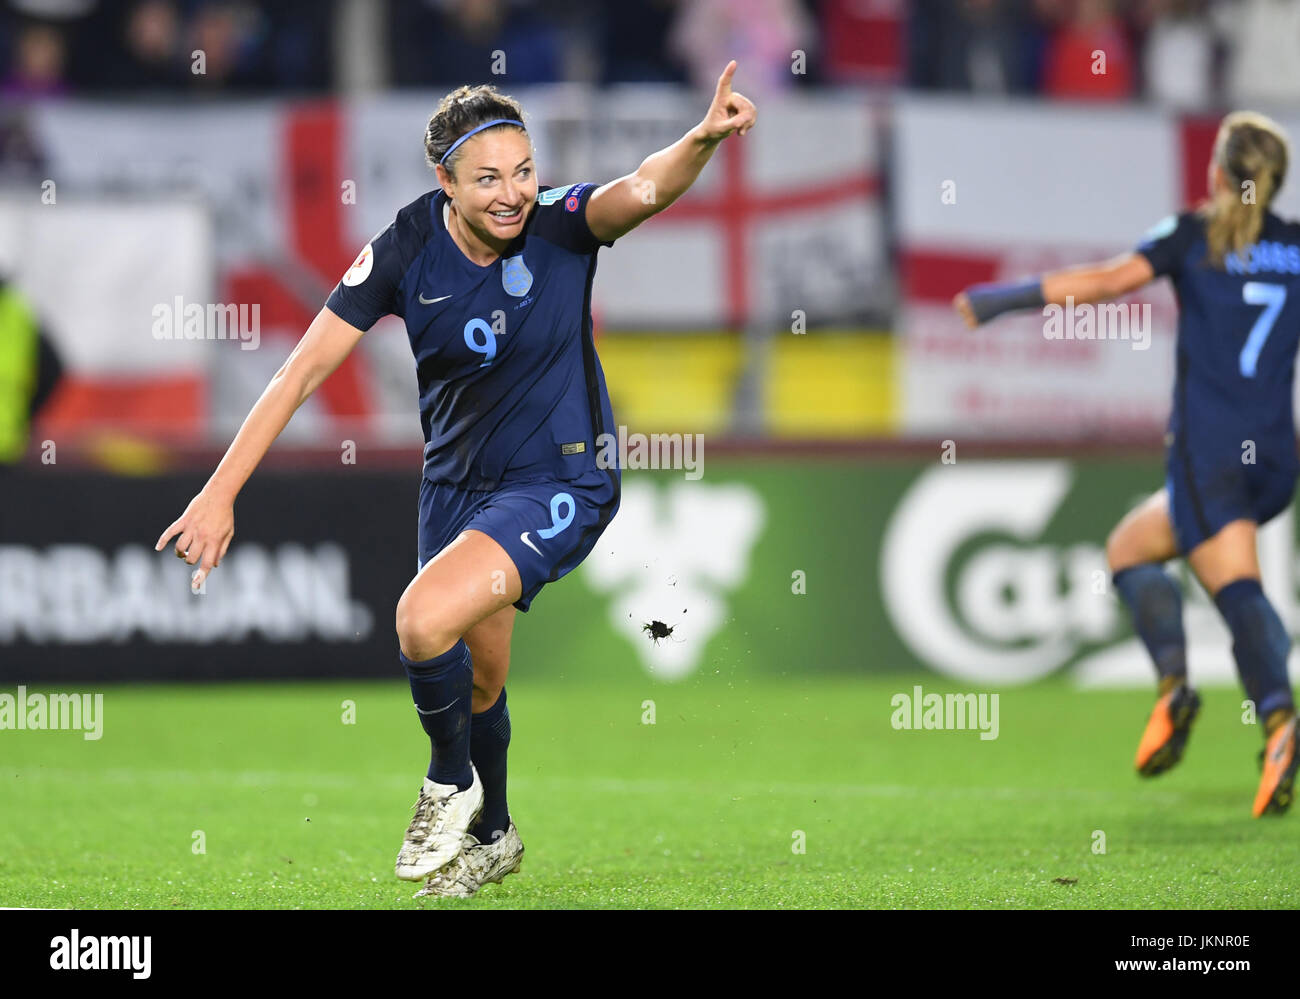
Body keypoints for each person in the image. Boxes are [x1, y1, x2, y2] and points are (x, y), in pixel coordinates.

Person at [155, 64, 757, 897]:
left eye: (523, 170)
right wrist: (220, 490)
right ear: (445, 181)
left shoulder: (561, 224)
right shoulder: (405, 249)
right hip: (455, 490)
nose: (513, 193)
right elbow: (299, 371)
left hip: (560, 477)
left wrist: (699, 139)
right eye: (488, 179)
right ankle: (496, 834)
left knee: (419, 616)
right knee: (480, 677)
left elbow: (644, 189)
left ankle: (448, 785)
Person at [953, 110, 1299, 817]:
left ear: (1216, 173)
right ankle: (1175, 688)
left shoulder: (1191, 236)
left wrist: (1003, 300)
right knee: (1131, 548)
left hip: (1210, 454)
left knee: (1236, 585)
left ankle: (1279, 719)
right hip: (1273, 455)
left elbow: (1111, 281)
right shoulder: (1295, 247)